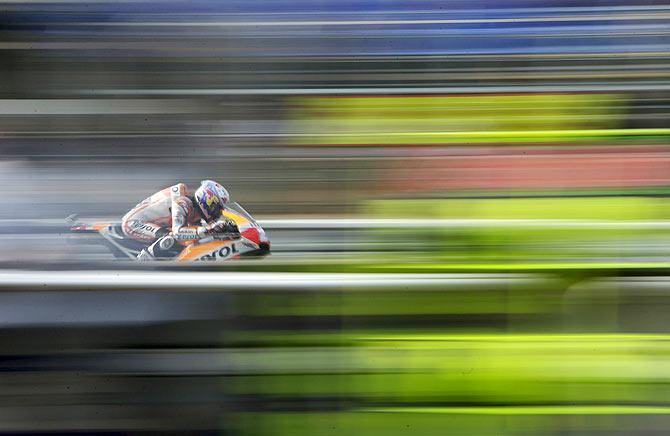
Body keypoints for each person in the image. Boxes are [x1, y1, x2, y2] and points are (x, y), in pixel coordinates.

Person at [121, 180, 237, 261]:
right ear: (207, 200)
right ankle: (141, 264)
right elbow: (178, 233)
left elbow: (197, 233)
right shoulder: (182, 203)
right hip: (133, 223)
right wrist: (210, 230)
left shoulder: (194, 212)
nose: (218, 212)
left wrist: (224, 229)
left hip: (150, 224)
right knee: (170, 238)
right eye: (217, 207)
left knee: (189, 237)